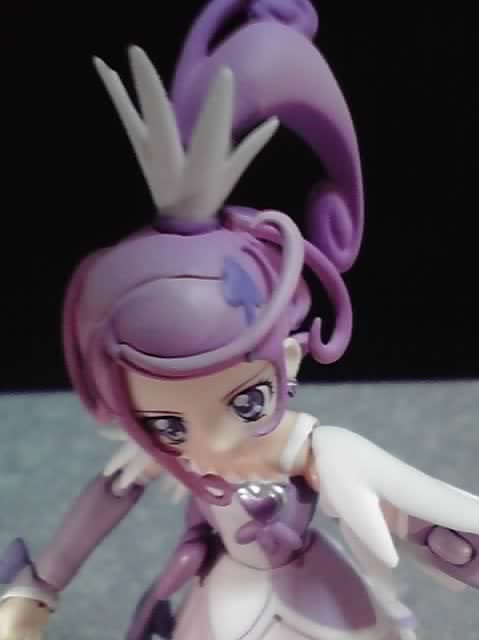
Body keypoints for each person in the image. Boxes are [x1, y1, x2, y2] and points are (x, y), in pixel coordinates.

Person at [1, 2, 479, 639]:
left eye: (247, 401)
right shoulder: (169, 459)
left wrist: (446, 539)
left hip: (317, 594)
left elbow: (393, 508)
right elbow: (108, 498)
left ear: (288, 359)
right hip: (228, 599)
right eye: (168, 423)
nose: (217, 445)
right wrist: (38, 588)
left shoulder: (307, 450)